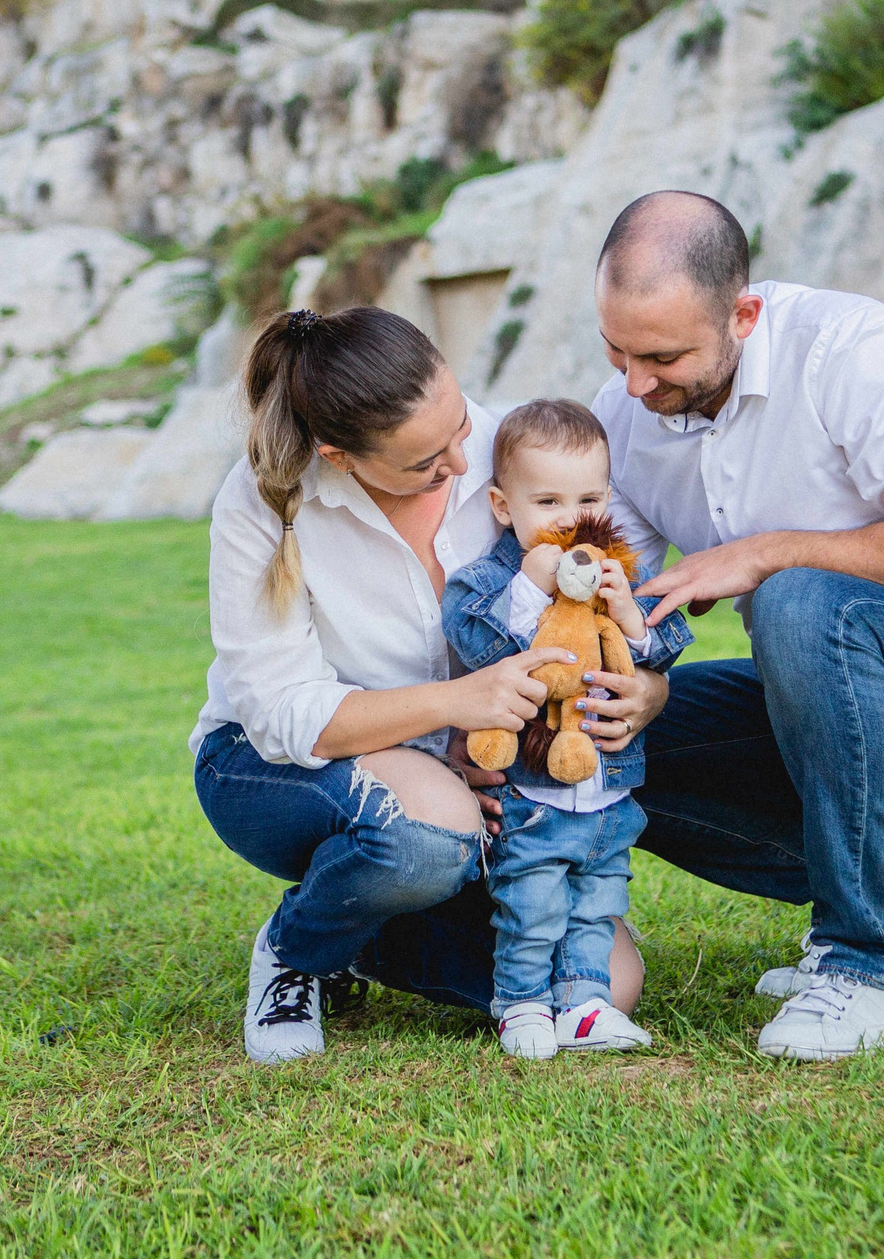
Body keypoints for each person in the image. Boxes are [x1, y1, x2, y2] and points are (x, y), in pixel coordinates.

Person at [565, 190, 884, 1061]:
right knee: (603, 732)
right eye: (616, 350)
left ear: (742, 315)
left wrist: (761, 553)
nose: (635, 384)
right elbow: (610, 597)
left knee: (796, 594)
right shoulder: (626, 411)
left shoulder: (853, 351)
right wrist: (637, 679)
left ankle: (873, 966)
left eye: (662, 356)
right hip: (831, 699)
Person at [192, 306, 644, 1063]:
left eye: (460, 424)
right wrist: (452, 711)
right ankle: (296, 950)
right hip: (268, 768)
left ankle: (362, 940)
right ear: (340, 457)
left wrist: (642, 688)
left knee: (609, 984)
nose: (462, 464)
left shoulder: (514, 454)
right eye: (427, 460)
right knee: (432, 831)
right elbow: (277, 713)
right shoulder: (264, 498)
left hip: (467, 775)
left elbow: (597, 595)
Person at [439, 399, 695, 1059]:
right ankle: (520, 1003)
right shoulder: (491, 581)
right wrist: (529, 590)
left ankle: (585, 1006)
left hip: (610, 792)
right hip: (532, 794)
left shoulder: (618, 573)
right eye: (547, 501)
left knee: (596, 904)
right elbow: (478, 647)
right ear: (504, 507)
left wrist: (629, 614)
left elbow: (665, 645)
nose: (569, 518)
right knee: (531, 904)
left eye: (587, 499)